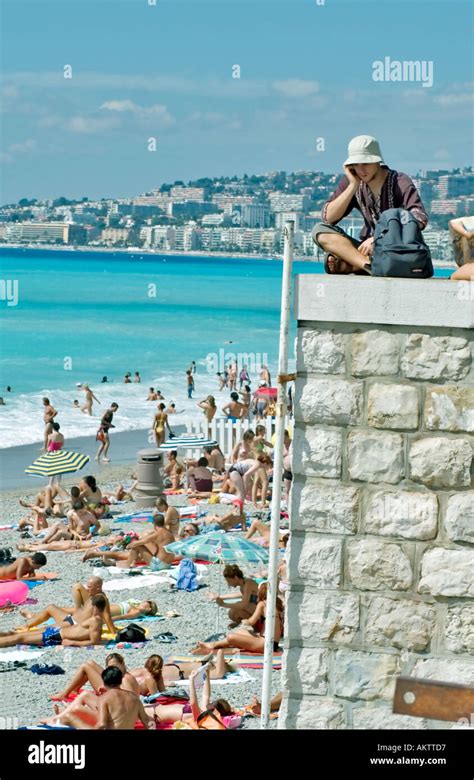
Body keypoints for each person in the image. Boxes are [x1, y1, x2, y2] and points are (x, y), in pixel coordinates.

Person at [312, 134, 429, 274]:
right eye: (356, 164)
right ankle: (368, 266)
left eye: (366, 163)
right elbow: (328, 218)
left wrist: (378, 238)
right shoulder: (352, 181)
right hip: (367, 252)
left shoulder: (400, 181)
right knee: (320, 231)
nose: (361, 170)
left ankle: (354, 264)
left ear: (377, 161)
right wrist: (353, 186)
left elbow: (419, 217)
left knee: (338, 260)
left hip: (398, 250)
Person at [194, 582, 284, 656]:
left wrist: (244, 621)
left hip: (265, 644)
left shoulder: (262, 604)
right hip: (273, 643)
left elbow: (251, 621)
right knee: (240, 631)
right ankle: (214, 644)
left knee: (231, 637)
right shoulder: (278, 603)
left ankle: (212, 645)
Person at [18, 575, 116, 636]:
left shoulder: (102, 599)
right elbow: (77, 588)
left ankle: (25, 634)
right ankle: (27, 625)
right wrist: (78, 608)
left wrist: (113, 634)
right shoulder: (93, 596)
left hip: (74, 624)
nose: (87, 589)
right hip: (71, 619)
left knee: (49, 629)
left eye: (90, 587)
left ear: (98, 587)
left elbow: (107, 616)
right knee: (50, 608)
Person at [0, 594, 107, 648]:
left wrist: (73, 642)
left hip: (56, 637)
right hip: (57, 632)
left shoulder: (95, 621)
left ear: (95, 608)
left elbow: (94, 641)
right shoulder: (95, 619)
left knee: (20, 637)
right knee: (22, 635)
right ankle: (5, 635)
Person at [51, 652, 140, 702]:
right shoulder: (121, 674)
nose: (113, 669)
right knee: (89, 663)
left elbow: (128, 700)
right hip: (113, 686)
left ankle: (65, 694)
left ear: (122, 664)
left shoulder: (126, 679)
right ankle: (74, 690)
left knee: (85, 667)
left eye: (115, 666)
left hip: (112, 696)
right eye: (110, 667)